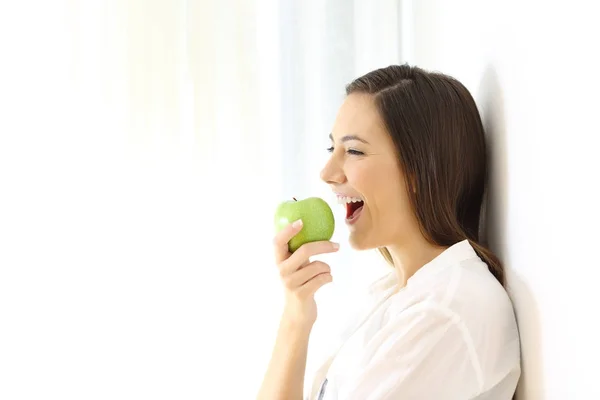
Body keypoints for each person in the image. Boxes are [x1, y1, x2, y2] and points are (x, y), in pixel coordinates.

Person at [257, 64, 521, 399]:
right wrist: (296, 315)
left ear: (420, 169)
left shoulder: (446, 312)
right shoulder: (393, 294)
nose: (327, 172)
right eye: (332, 149)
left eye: (353, 151)